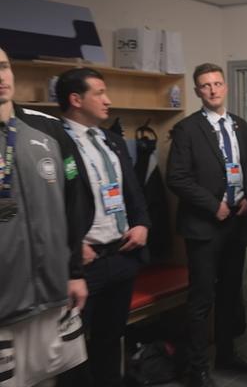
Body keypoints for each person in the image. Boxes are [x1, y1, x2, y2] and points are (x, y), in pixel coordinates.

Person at [55, 68, 151, 387]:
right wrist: (70, 247)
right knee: (74, 350)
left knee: (111, 340)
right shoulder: (55, 142)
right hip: (85, 264)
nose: (108, 101)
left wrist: (142, 225)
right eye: (99, 93)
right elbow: (50, 205)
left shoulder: (111, 140)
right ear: (75, 99)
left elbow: (133, 190)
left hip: (121, 256)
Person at [0, 47, 90, 387]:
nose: (0, 76)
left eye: (4, 66)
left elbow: (74, 205)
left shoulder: (46, 133)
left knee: (51, 381)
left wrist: (74, 272)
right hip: (4, 307)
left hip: (52, 297)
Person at [167, 63, 247, 387]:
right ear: (197, 91)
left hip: (236, 222)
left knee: (230, 294)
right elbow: (176, 177)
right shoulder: (187, 129)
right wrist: (212, 205)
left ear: (225, 87)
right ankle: (197, 368)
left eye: (217, 83)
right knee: (202, 298)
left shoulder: (239, 125)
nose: (212, 90)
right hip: (204, 227)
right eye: (205, 86)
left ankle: (226, 354)